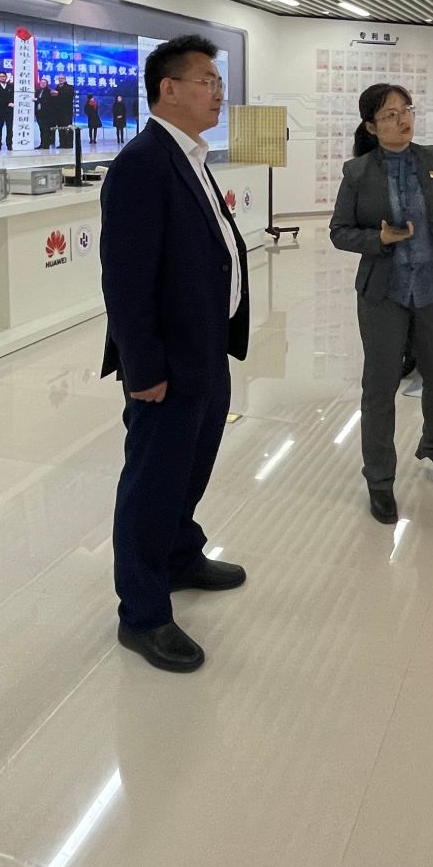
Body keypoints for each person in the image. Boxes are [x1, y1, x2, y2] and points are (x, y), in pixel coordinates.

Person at [98, 34, 250, 673]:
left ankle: (181, 555)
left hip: (205, 350)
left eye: (218, 82)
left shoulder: (189, 156)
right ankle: (142, 612)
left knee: (190, 468)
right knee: (153, 481)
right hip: (166, 364)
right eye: (207, 81)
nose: (218, 93)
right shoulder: (142, 163)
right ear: (169, 89)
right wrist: (144, 369)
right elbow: (125, 280)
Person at [329, 82, 433, 524]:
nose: (402, 119)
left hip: (429, 290)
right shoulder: (358, 172)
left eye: (405, 110)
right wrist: (379, 239)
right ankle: (380, 480)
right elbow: (339, 232)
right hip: (383, 294)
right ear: (371, 126)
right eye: (390, 114)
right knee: (380, 388)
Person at [0, 73, 15, 151]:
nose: (2, 78)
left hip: (9, 111)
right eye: (0, 76)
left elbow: (13, 97)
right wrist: (7, 103)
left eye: (3, 76)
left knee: (9, 129)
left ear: (6, 77)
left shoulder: (11, 86)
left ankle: (9, 145)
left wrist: (11, 102)